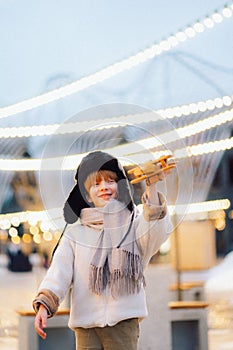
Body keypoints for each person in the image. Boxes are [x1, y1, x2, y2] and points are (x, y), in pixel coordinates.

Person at [33, 150, 171, 350]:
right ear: (87, 194)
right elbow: (59, 273)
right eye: (96, 184)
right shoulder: (75, 234)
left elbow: (155, 233)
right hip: (86, 326)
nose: (104, 188)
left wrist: (152, 185)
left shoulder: (134, 224)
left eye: (110, 181)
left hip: (123, 324)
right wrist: (44, 305)